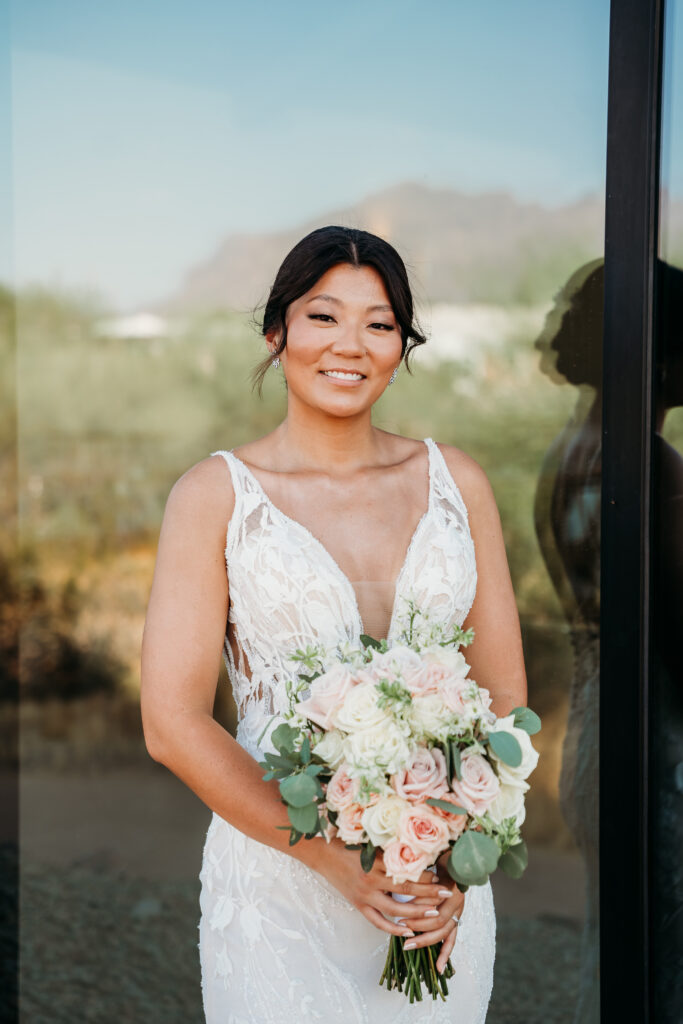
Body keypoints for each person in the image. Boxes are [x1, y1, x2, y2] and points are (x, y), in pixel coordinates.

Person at [140, 226, 527, 1023]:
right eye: (323, 317)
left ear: (400, 345)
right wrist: (334, 862)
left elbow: (505, 702)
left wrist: (452, 867)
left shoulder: (459, 482)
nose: (350, 344)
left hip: (432, 895)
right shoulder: (215, 495)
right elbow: (172, 725)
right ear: (277, 331)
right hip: (281, 889)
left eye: (379, 323)